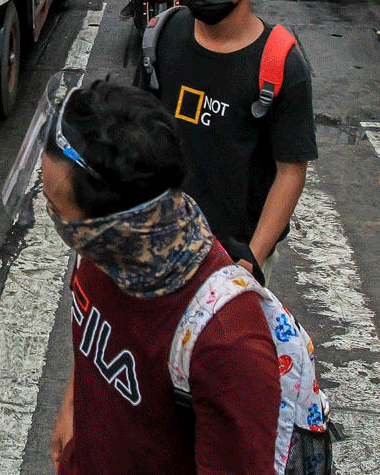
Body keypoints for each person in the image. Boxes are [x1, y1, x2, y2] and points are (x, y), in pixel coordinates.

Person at [42, 80, 282, 475]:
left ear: (111, 225)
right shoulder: (107, 251)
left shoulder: (227, 344)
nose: (53, 218)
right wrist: (72, 406)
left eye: (55, 205)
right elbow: (94, 336)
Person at [143, 0, 315, 284]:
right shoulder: (163, 35)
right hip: (162, 237)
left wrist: (251, 259)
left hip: (232, 254)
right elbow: (141, 134)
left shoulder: (281, 66)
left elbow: (290, 173)